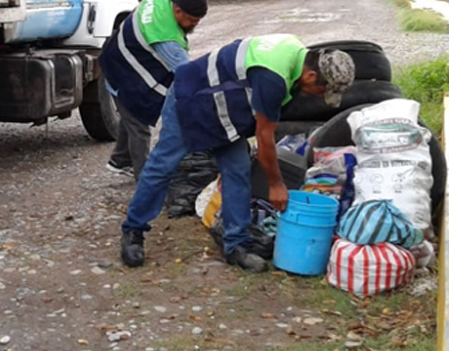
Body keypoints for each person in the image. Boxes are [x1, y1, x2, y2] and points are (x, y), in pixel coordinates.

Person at [119, 35, 354, 272]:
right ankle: (133, 230)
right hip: (189, 99)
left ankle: (235, 244)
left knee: (238, 168)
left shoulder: (296, 52)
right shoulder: (273, 76)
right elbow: (265, 138)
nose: (316, 96)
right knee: (163, 166)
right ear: (311, 76)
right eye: (320, 91)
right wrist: (275, 184)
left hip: (222, 111)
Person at [99, 0, 208, 180]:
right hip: (121, 72)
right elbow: (187, 78)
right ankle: (145, 179)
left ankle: (120, 160)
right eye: (191, 20)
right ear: (178, 10)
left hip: (115, 55)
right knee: (139, 126)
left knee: (131, 113)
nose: (194, 25)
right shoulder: (166, 39)